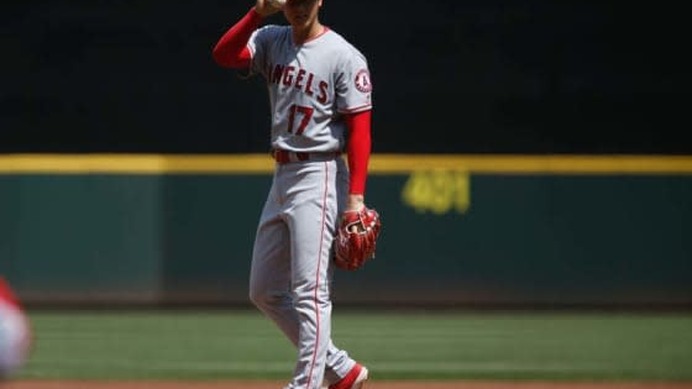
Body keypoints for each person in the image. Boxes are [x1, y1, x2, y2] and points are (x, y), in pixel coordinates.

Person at [212, 0, 374, 388]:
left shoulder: (343, 56)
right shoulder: (271, 40)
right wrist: (257, 13)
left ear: (319, 1)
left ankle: (306, 385)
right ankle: (341, 369)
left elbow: (360, 131)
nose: (299, 8)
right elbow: (224, 55)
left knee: (310, 294)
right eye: (292, 1)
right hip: (282, 173)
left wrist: (355, 197)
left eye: (306, 0)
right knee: (264, 290)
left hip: (319, 171)